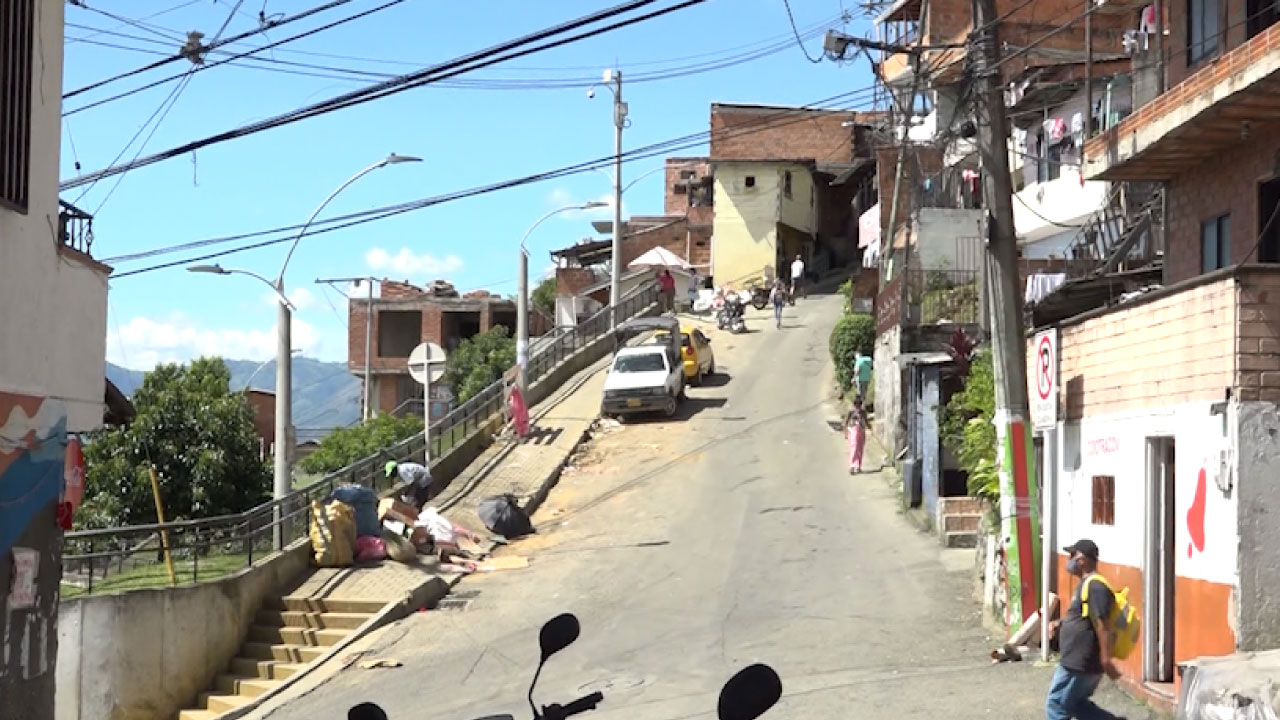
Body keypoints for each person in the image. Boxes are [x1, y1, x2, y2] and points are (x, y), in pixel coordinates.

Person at [1046, 539, 1126, 720]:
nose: (1069, 560)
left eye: (1072, 556)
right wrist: (1061, 623)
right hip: (1079, 658)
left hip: (1081, 660)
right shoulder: (1087, 584)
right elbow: (1085, 617)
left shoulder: (1096, 586)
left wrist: (1106, 659)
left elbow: (1102, 624)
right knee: (1076, 704)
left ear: (1082, 559)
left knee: (1056, 704)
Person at [844, 397, 867, 474]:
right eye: (856, 405)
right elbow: (846, 421)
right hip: (853, 430)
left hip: (861, 430)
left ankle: (858, 466)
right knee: (854, 447)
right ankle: (852, 466)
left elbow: (866, 421)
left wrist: (870, 428)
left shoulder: (863, 412)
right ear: (854, 405)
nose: (858, 406)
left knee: (860, 449)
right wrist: (845, 432)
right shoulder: (851, 412)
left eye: (859, 404)